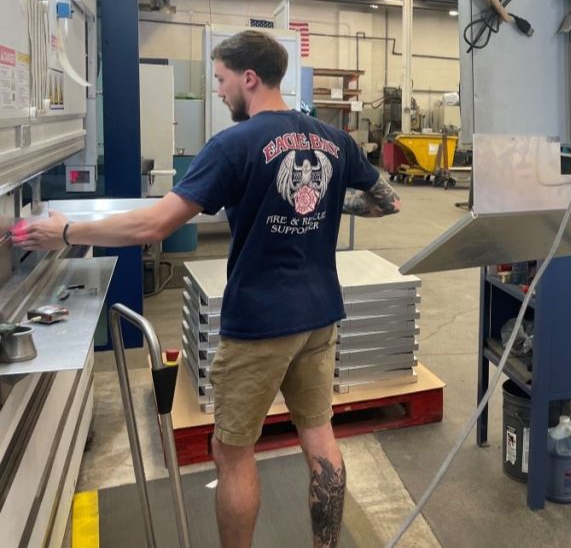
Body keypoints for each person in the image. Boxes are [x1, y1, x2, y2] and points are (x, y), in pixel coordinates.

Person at [13, 30, 401, 546]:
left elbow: (153, 227)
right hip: (320, 315)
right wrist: (327, 205)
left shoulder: (234, 144)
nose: (218, 92)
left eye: (220, 80)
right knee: (320, 438)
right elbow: (386, 203)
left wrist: (64, 232)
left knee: (233, 452)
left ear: (248, 78)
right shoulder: (333, 139)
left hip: (261, 322)